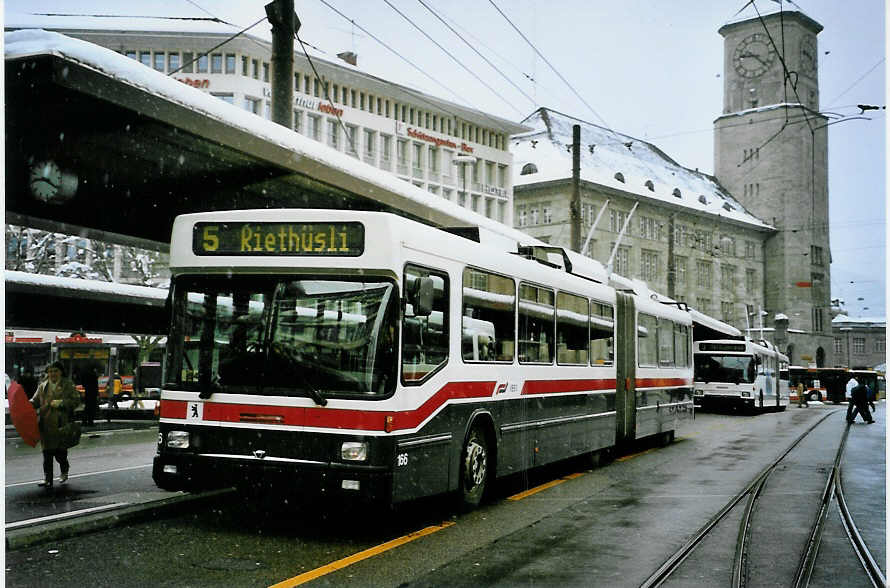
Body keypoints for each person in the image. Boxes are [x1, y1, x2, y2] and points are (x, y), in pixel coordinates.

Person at [30, 361, 81, 488]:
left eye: (55, 371)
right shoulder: (42, 386)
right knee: (46, 454)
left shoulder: (67, 385)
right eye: (50, 371)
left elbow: (76, 400)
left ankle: (64, 470)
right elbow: (35, 400)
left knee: (60, 453)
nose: (52, 374)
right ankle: (48, 478)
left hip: (61, 424)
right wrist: (27, 404)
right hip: (45, 423)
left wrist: (62, 403)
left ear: (60, 372)